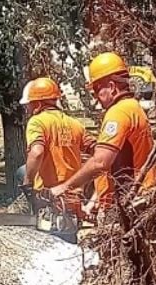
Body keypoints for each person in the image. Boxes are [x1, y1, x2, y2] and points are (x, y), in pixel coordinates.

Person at [49, 52, 156, 216]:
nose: (96, 98)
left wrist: (65, 187)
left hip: (130, 204)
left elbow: (100, 162)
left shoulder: (119, 112)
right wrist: (97, 197)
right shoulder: (132, 107)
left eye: (97, 90)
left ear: (112, 87)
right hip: (133, 199)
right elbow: (114, 163)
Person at [18, 77, 94, 216]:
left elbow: (37, 153)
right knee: (68, 235)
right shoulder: (74, 124)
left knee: (22, 173)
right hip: (73, 197)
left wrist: (28, 183)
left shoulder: (37, 122)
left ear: (38, 104)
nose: (27, 109)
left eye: (29, 104)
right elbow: (97, 151)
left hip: (49, 196)